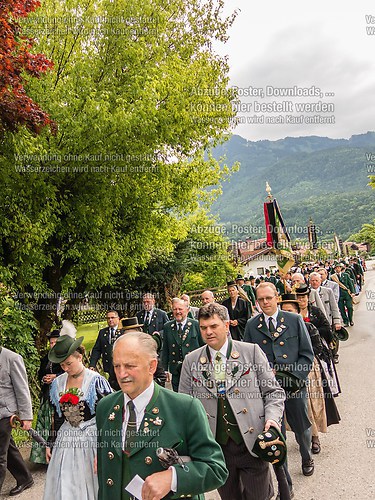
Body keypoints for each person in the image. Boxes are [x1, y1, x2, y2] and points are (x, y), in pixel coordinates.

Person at [96, 332, 228, 500]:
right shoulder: (105, 407)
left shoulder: (184, 408)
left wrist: (173, 478)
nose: (122, 374)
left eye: (130, 366)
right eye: (117, 366)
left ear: (152, 366)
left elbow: (216, 469)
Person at [179, 303, 285, 500]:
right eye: (203, 328)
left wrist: (272, 420)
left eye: (213, 326)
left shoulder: (250, 352)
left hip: (253, 444)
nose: (208, 332)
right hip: (217, 449)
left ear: (226, 326)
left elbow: (273, 392)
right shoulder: (191, 361)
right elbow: (184, 407)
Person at [243, 282, 314, 489]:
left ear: (277, 298)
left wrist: (293, 377)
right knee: (276, 434)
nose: (265, 302)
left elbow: (307, 354)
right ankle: (286, 485)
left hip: (293, 386)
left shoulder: (294, 320)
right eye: (261, 299)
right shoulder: (252, 325)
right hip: (267, 391)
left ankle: (306, 455)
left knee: (302, 427)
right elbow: (248, 360)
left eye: (268, 298)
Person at [43, 325, 112, 500]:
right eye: (62, 365)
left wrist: (103, 447)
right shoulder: (57, 383)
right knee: (65, 481)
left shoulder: (95, 381)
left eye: (69, 363)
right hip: (66, 438)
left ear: (80, 357)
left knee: (90, 479)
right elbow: (58, 416)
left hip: (91, 437)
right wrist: (51, 442)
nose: (65, 368)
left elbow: (109, 416)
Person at [0, 346, 34, 496]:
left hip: (6, 414)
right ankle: (25, 478)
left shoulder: (12, 358)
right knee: (8, 449)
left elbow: (22, 389)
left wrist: (26, 416)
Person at [29, 329, 64, 464]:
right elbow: (40, 375)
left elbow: (68, 373)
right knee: (44, 424)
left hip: (59, 395)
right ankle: (42, 456)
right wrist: (44, 379)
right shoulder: (45, 358)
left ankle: (57, 455)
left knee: (56, 424)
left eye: (56, 342)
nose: (53, 345)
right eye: (51, 343)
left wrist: (55, 377)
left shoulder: (63, 357)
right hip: (46, 395)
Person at [108, 317, 166, 389]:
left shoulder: (148, 352)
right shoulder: (118, 356)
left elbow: (161, 377)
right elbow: (112, 381)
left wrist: (144, 386)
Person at [161, 298, 204, 391]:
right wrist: (165, 369)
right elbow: (165, 350)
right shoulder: (168, 327)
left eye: (180, 309)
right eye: (175, 309)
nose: (177, 312)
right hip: (176, 371)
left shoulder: (195, 325)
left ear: (187, 310)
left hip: (194, 369)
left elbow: (203, 346)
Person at [89, 310, 120, 387]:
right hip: (108, 368)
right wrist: (92, 365)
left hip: (120, 367)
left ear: (118, 318)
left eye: (112, 317)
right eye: (108, 318)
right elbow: (97, 349)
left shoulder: (123, 332)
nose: (110, 320)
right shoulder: (103, 332)